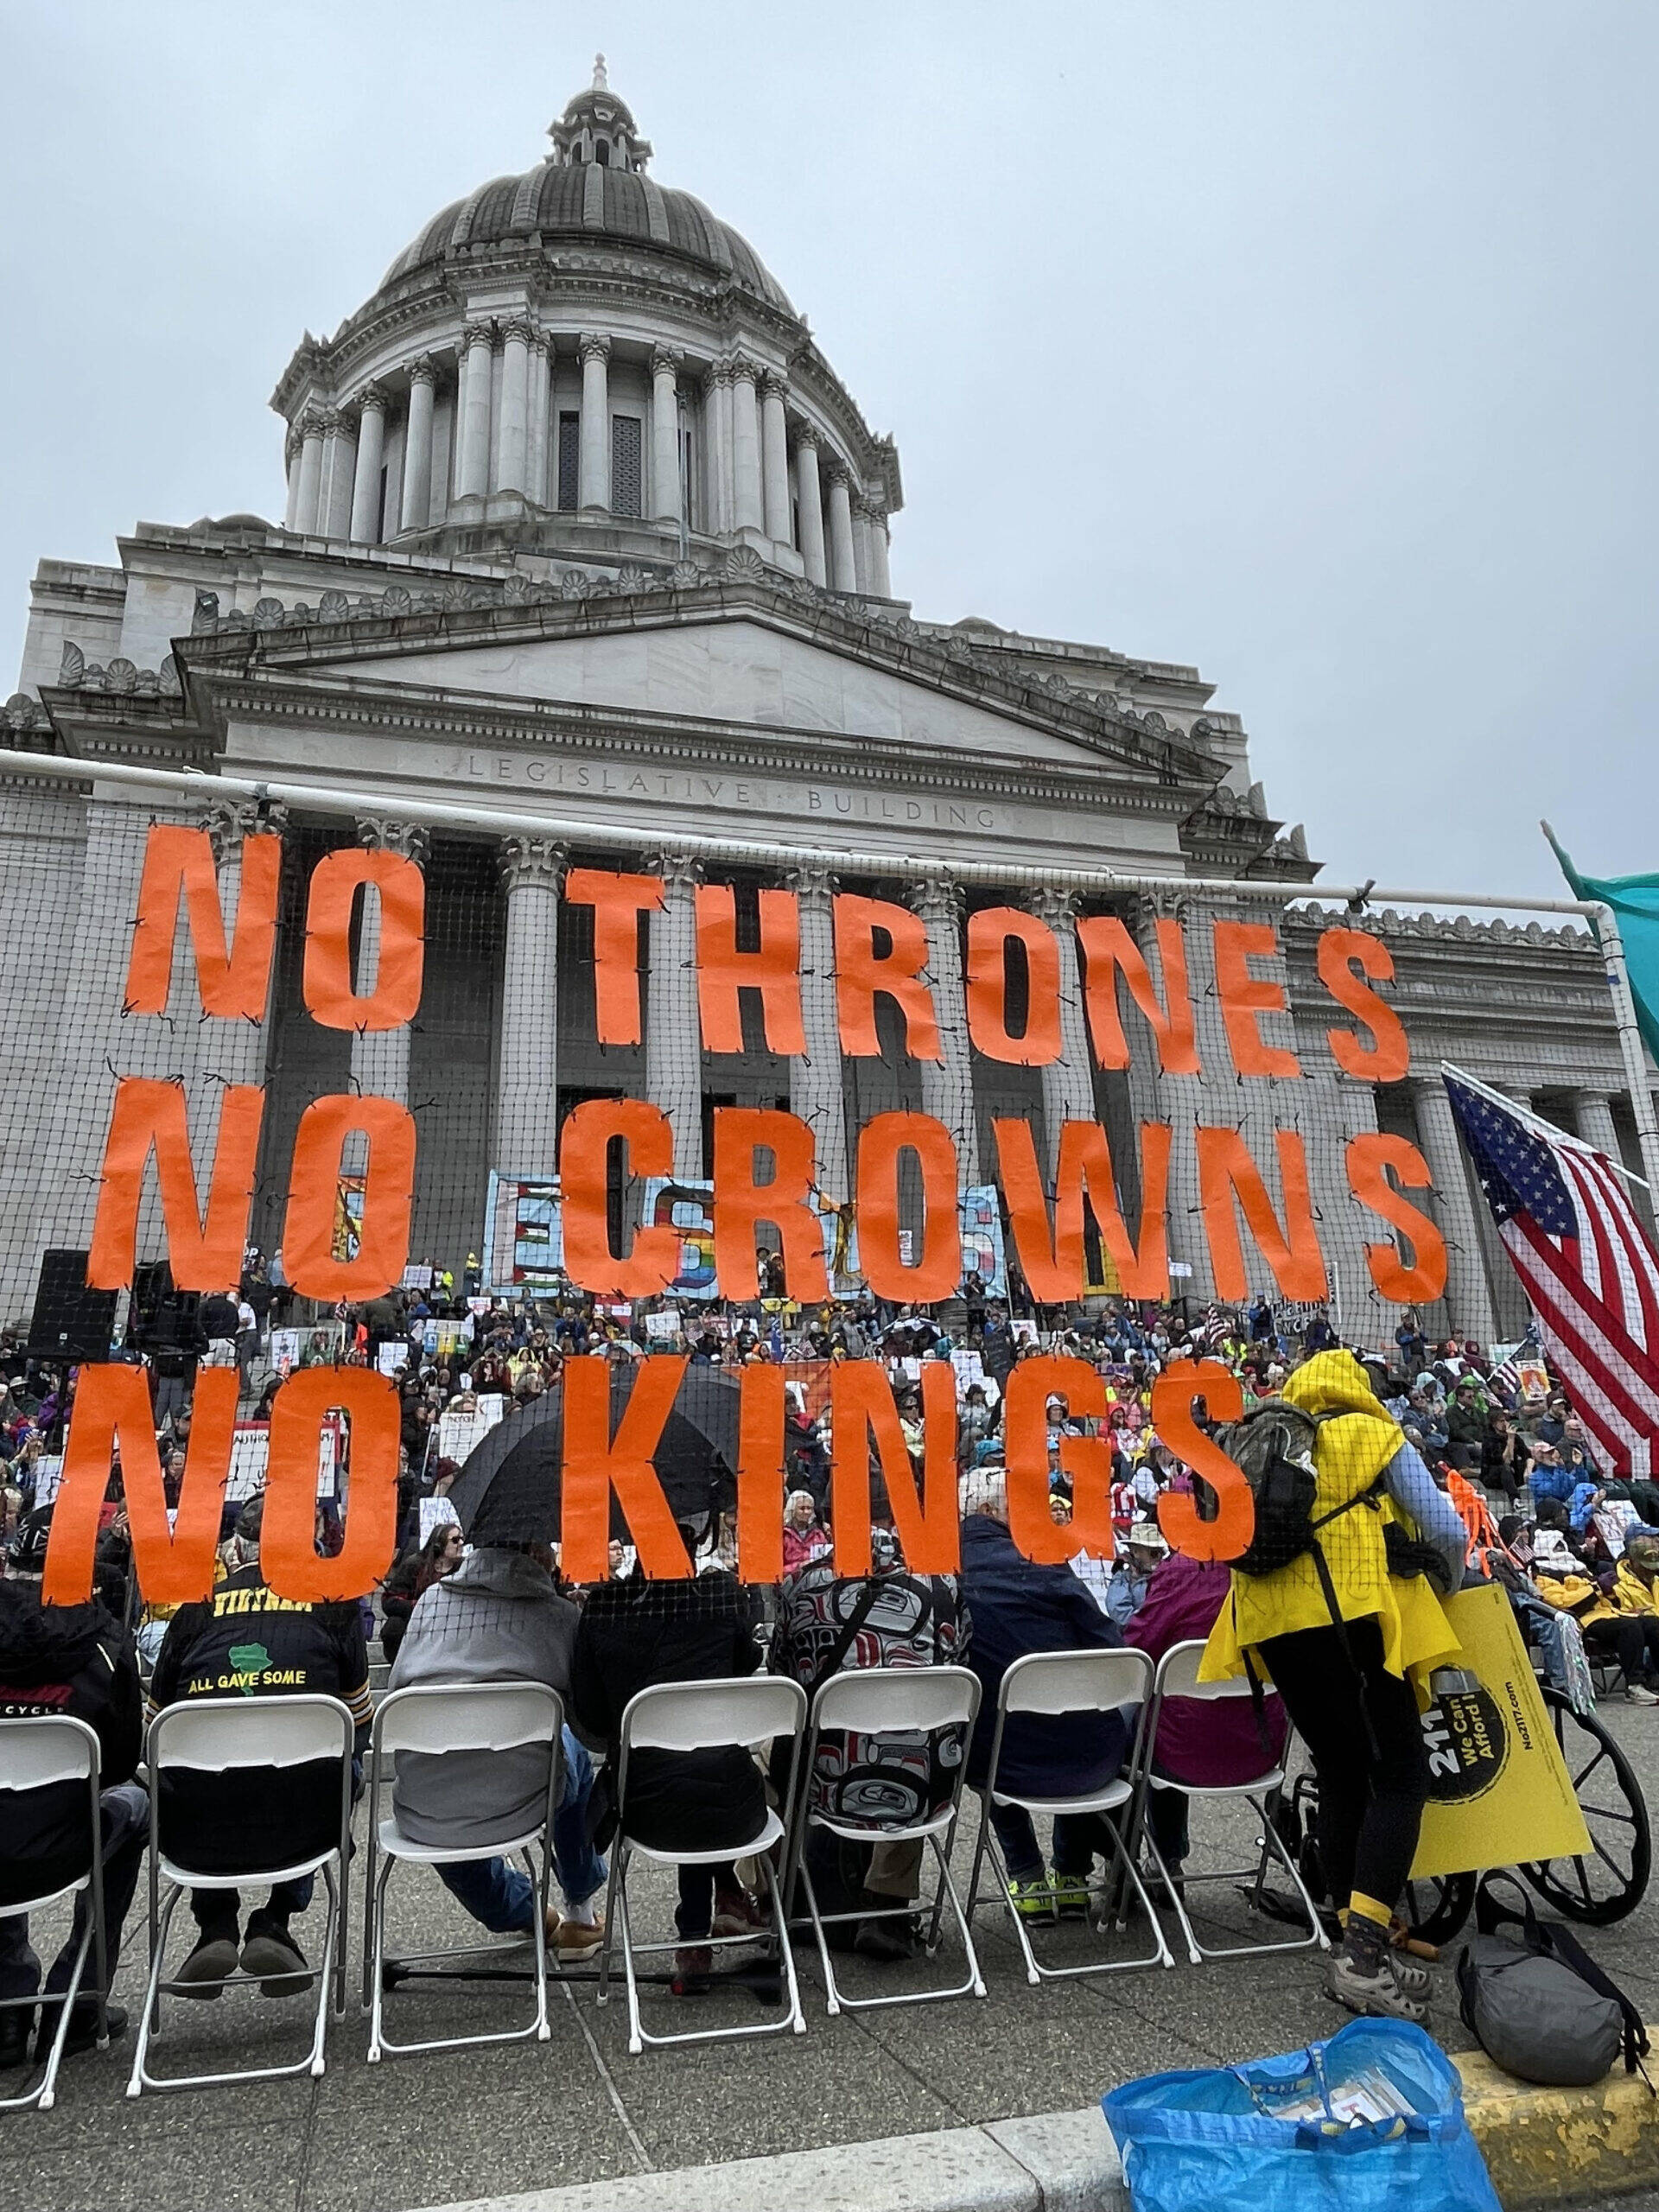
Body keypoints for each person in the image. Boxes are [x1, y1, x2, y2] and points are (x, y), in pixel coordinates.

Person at [1198, 1350, 1468, 2021]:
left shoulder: (1261, 1439)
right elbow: (1445, 1528)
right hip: (1353, 1620)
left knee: (1342, 1771)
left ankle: (1350, 1928)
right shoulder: (1372, 1433)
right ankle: (1363, 1958)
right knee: (1402, 1776)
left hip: (1270, 1628)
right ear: (1360, 1389)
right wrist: (1447, 1584)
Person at [148, 1497, 372, 1996]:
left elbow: (153, 1730)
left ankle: (215, 1922)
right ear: (306, 1547)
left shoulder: (195, 1608)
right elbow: (359, 1722)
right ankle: (275, 1920)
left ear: (235, 1549)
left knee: (199, 1774)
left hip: (195, 1832)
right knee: (341, 1764)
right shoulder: (334, 1606)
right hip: (306, 1825)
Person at [387, 1539, 607, 1961]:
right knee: (574, 1749)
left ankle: (523, 1911)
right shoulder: (560, 1616)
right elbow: (592, 1729)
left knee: (451, 1833)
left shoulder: (432, 1602)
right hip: (529, 1801)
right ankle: (581, 1910)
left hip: (427, 1808)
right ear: (541, 1557)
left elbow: (397, 1694)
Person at [570, 1542, 767, 1993]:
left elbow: (594, 1718)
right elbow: (743, 1675)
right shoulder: (721, 1598)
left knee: (677, 1769)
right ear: (696, 1541)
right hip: (735, 1804)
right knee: (699, 1762)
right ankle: (720, 1906)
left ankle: (698, 1933)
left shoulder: (605, 1609)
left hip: (645, 1805)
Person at [769, 1528, 968, 1961]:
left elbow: (783, 1680)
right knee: (919, 1733)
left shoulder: (802, 1585)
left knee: (775, 1746)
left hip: (827, 1785)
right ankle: (888, 1906)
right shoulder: (943, 1582)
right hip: (920, 1789)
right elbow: (960, 1666)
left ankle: (776, 1890)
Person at [0, 1514, 145, 2067]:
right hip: (66, 1846)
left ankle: (8, 2006)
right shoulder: (104, 1643)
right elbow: (121, 1761)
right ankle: (79, 1997)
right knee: (135, 1804)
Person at [957, 1467, 1127, 1919]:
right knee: (1077, 1712)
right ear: (991, 1511)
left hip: (999, 1762)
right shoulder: (1043, 1559)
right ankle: (1071, 1876)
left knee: (984, 1730)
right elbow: (1112, 1646)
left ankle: (1027, 1876)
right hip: (1090, 1758)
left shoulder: (943, 1570)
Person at [1122, 1546, 1289, 1885]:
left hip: (1184, 1754)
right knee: (1167, 1721)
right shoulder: (1275, 1561)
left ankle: (1152, 1863)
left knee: (1137, 1727)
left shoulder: (1182, 1570)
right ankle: (1161, 1861)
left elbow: (1138, 1649)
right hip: (1262, 1751)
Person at [379, 1522, 464, 1661]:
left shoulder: (464, 1568)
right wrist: (421, 1607)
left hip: (451, 1622)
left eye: (462, 1539)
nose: (461, 1543)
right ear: (439, 1544)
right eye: (455, 1540)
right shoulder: (415, 1564)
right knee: (393, 1627)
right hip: (416, 1621)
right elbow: (390, 1601)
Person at [1104, 1520, 1168, 1629]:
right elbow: (1120, 1614)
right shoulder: (1123, 1579)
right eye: (1153, 1553)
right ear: (1136, 1552)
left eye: (1160, 1553)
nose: (1158, 1558)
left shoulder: (1169, 1575)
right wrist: (1152, 1624)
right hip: (1137, 1639)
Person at [781, 1489, 831, 1574]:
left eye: (809, 1508)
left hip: (815, 1579)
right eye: (802, 1508)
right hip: (790, 1582)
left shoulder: (818, 1534)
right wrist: (798, 1567)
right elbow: (776, 1570)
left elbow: (826, 1561)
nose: (806, 1512)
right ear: (792, 1510)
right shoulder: (783, 1535)